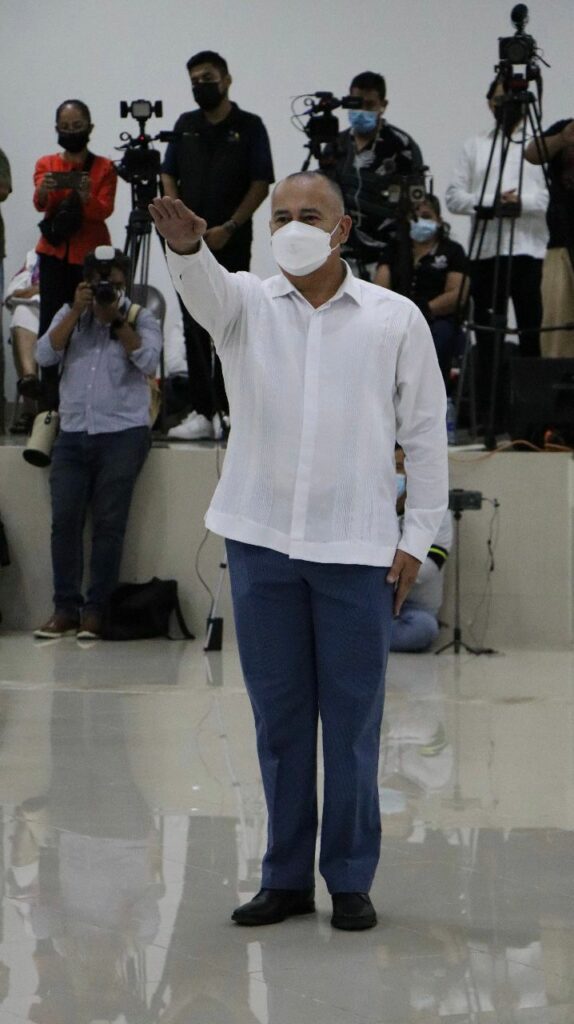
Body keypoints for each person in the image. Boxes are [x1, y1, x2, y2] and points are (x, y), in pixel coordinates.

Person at [149, 172, 448, 931]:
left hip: (356, 546)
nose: (292, 227)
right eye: (280, 216)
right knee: (279, 721)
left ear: (342, 230)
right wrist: (184, 248)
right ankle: (283, 877)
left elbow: (425, 436)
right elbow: (202, 287)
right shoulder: (245, 303)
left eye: (309, 215)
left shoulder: (394, 318)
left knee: (351, 724)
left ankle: (349, 878)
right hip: (262, 544)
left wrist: (418, 539)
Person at [33, 247, 162, 640]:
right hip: (73, 433)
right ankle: (64, 609)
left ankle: (96, 612)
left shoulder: (141, 317)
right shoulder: (71, 314)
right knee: (64, 523)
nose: (107, 290)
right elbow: (44, 355)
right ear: (86, 283)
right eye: (100, 283)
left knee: (109, 525)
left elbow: (149, 362)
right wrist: (76, 311)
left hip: (123, 434)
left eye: (115, 284)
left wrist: (116, 320)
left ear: (126, 284)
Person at [161, 50, 274, 440]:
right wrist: (179, 220)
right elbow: (168, 173)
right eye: (194, 81)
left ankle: (231, 408)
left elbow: (261, 182)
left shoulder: (250, 126)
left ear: (226, 80)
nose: (200, 86)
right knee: (192, 321)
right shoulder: (185, 125)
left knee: (231, 321)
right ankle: (202, 410)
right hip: (187, 243)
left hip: (231, 238)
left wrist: (230, 225)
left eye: (207, 78)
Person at [445, 80, 548, 425]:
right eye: (500, 98)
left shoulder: (538, 146)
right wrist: (491, 203)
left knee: (531, 331)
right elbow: (454, 197)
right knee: (488, 336)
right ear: (490, 102)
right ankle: (490, 417)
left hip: (528, 250)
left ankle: (534, 418)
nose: (507, 104)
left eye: (513, 98)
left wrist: (521, 204)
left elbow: (548, 197)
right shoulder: (475, 145)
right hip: (486, 253)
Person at [33, 99, 117, 409]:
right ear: (56, 129)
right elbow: (41, 205)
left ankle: (89, 400)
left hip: (91, 258)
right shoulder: (46, 164)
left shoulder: (105, 167)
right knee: (51, 326)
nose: (71, 132)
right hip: (53, 254)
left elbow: (103, 211)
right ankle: (48, 407)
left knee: (93, 325)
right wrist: (44, 190)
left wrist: (85, 195)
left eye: (77, 126)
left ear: (90, 128)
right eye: (65, 127)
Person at [320, 70, 424, 279]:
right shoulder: (335, 145)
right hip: (341, 250)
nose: (362, 111)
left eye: (369, 105)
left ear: (383, 105)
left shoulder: (401, 145)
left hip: (388, 253)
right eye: (357, 104)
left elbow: (415, 200)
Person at [375, 195, 469, 383]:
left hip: (437, 318)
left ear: (439, 221)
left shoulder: (453, 251)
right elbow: (379, 288)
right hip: (397, 316)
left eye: (426, 216)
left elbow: (457, 294)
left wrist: (422, 311)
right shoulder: (395, 249)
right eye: (415, 217)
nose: (420, 221)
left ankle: (432, 392)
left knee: (436, 338)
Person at [390, 449, 452, 652]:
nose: (395, 473)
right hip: (374, 601)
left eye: (401, 468)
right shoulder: (372, 506)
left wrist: (382, 574)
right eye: (392, 467)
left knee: (424, 629)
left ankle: (362, 640)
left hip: (414, 608)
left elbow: (427, 568)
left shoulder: (437, 513)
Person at [525, 118, 574, 357]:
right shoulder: (566, 127)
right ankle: (557, 376)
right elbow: (532, 153)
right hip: (561, 242)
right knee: (557, 323)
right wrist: (563, 139)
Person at [4, 250, 40, 433]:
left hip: (67, 312)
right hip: (35, 308)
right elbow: (13, 293)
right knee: (20, 314)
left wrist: (36, 289)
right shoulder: (35, 255)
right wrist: (37, 289)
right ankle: (29, 381)